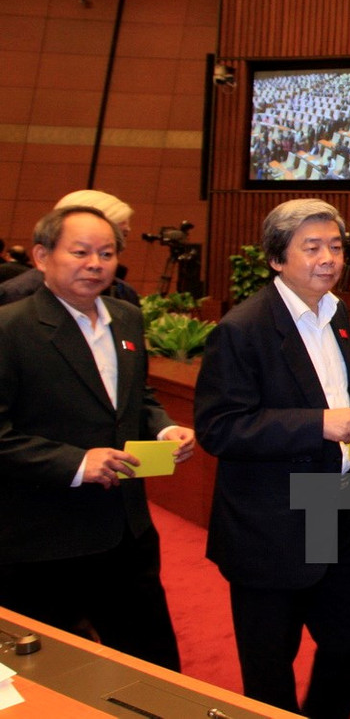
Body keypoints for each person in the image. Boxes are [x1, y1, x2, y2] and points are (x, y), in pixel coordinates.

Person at [193, 198, 350, 718]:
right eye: (312, 248)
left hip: (337, 506)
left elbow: (342, 394)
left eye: (335, 246)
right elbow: (220, 428)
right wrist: (319, 425)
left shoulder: (337, 313)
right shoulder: (242, 329)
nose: (328, 258)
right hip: (270, 521)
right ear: (276, 258)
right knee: (270, 663)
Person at [0, 205, 195, 670]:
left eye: (106, 254)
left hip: (127, 531)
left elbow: (136, 398)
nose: (95, 264)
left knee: (154, 669)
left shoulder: (126, 317)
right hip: (45, 538)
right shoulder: (10, 328)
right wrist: (76, 463)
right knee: (56, 676)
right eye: (81, 252)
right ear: (42, 256)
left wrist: (163, 427)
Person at [0, 190, 140, 307]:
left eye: (124, 235)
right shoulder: (15, 298)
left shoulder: (124, 296)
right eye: (80, 252)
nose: (119, 245)